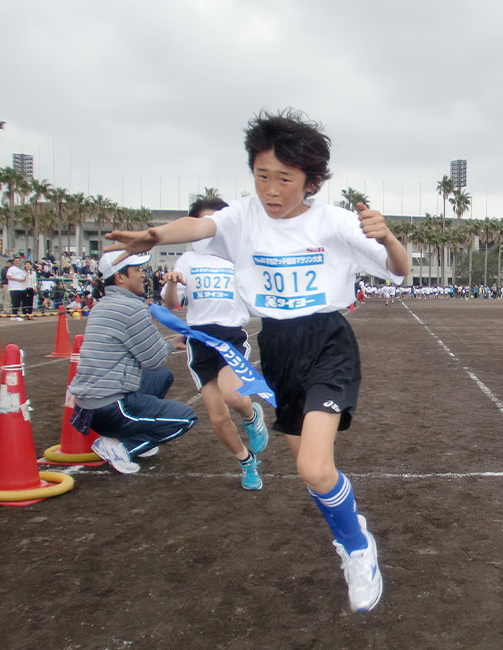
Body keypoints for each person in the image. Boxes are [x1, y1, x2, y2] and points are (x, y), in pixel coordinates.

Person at [104, 109, 410, 613]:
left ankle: (358, 547)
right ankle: (347, 534)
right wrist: (154, 237)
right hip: (278, 347)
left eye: (284, 178)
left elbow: (397, 271)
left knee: (313, 468)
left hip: (328, 342)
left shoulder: (333, 222)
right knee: (311, 468)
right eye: (261, 174)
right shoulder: (241, 217)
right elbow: (198, 224)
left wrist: (389, 238)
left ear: (310, 181)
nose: (270, 188)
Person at [161, 196, 269, 491]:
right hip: (199, 340)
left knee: (232, 395)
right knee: (218, 418)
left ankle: (251, 414)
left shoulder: (239, 257)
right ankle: (246, 461)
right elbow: (171, 305)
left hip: (230, 336)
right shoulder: (188, 260)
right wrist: (172, 282)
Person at [68, 251, 198, 474]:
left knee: (162, 376)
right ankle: (124, 447)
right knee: (185, 418)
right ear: (120, 278)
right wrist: (171, 343)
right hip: (110, 406)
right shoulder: (131, 309)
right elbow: (153, 358)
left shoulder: (102, 305)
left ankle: (132, 436)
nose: (143, 275)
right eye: (137, 270)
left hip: (87, 406)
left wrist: (169, 343)